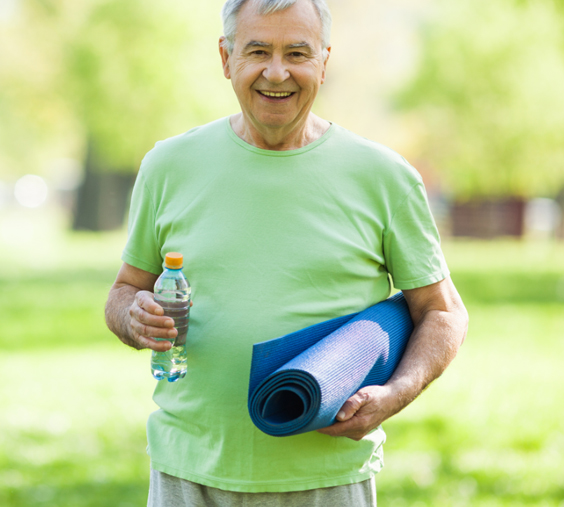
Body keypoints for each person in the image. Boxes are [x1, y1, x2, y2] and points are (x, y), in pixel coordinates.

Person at [103, 0, 470, 505]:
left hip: (327, 479)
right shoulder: (168, 165)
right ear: (226, 57)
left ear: (324, 61)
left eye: (297, 53)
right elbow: (125, 289)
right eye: (258, 51)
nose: (277, 73)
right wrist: (132, 316)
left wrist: (394, 395)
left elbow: (442, 313)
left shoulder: (384, 177)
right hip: (188, 474)